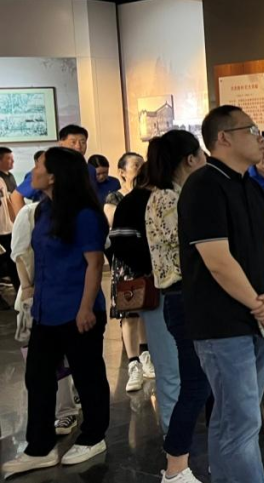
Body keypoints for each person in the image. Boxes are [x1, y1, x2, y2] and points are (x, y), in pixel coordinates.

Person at [178, 106, 264, 481]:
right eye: (251, 130)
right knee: (242, 421)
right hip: (221, 323)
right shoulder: (203, 186)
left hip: (258, 317)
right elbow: (218, 261)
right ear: (223, 138)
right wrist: (262, 307)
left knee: (235, 419)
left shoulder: (250, 187)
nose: (260, 138)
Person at [2, 147, 110, 477]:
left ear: (53, 176)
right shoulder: (43, 210)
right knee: (38, 376)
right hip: (46, 311)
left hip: (78, 310)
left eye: (38, 166)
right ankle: (40, 447)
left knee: (88, 375)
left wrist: (85, 308)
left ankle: (94, 436)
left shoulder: (84, 214)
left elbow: (94, 264)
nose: (32, 171)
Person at [145, 130, 210, 483]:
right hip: (184, 297)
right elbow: (194, 247)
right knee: (196, 384)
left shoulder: (169, 196)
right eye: (202, 153)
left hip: (188, 297)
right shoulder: (169, 200)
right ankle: (175, 467)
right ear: (190, 159)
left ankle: (206, 458)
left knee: (205, 382)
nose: (206, 160)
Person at [103, 152, 154, 393]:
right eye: (135, 165)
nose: (139, 168)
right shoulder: (115, 197)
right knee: (129, 313)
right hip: (125, 262)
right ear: (122, 172)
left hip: (147, 260)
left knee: (146, 310)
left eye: (141, 164)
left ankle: (146, 354)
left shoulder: (149, 194)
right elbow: (115, 224)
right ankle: (133, 362)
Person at [11, 125, 92, 216]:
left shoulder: (90, 170)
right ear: (61, 144)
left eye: (83, 142)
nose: (78, 146)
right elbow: (16, 196)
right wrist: (25, 222)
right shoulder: (49, 168)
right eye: (73, 142)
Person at [0, 147, 15, 284]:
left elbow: (11, 202)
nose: (12, 161)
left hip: (9, 226)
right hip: (2, 228)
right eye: (9, 158)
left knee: (12, 259)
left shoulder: (8, 178)